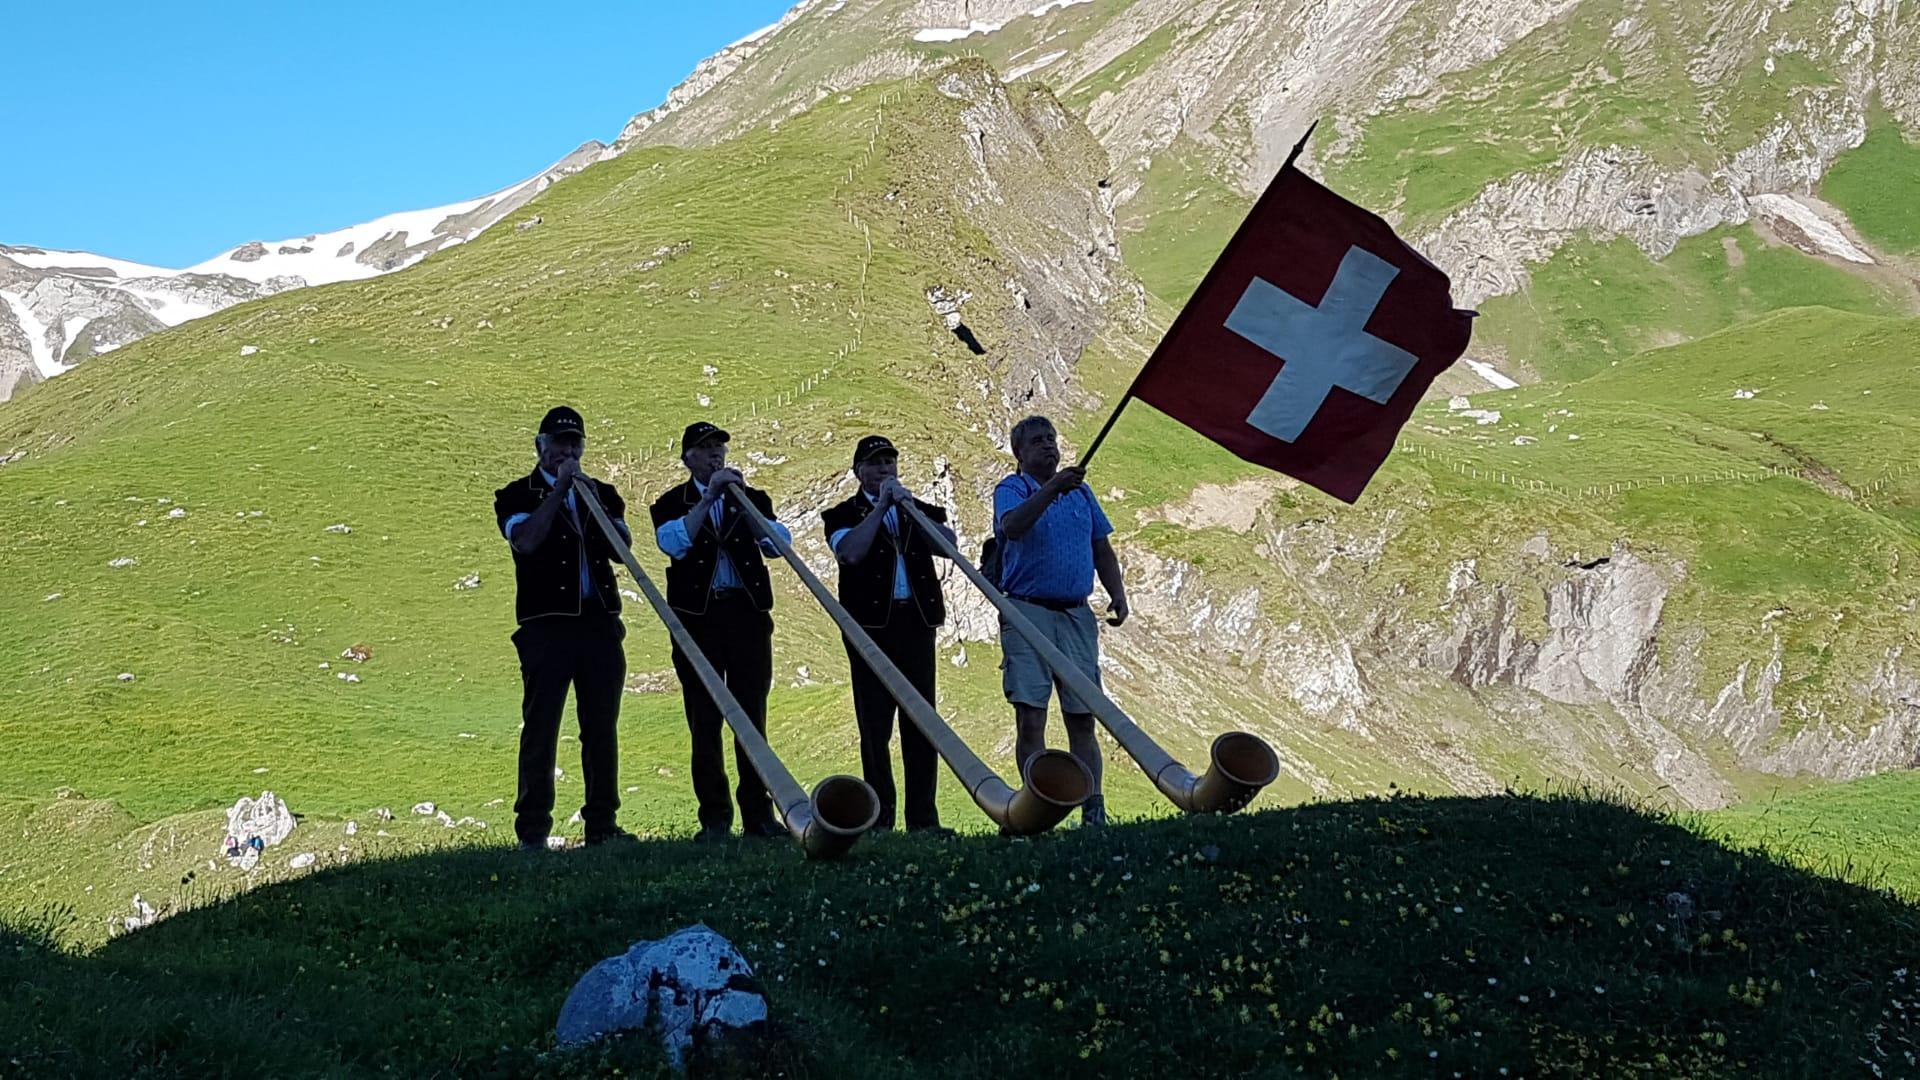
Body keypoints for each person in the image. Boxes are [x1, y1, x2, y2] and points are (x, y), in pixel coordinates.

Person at [493, 405, 636, 851]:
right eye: (559, 444)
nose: (568, 452)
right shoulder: (516, 494)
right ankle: (532, 829)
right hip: (546, 628)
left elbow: (622, 549)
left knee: (601, 725)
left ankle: (602, 823)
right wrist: (558, 493)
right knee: (542, 726)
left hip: (599, 624)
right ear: (541, 448)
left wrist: (589, 498)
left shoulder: (603, 493)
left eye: (575, 444)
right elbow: (526, 541)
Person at [650, 421, 793, 842]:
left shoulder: (753, 499)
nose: (715, 455)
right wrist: (709, 495)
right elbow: (674, 543)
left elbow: (777, 544)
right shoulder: (669, 502)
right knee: (704, 720)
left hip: (747, 619)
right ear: (687, 459)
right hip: (698, 622)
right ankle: (714, 819)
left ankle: (759, 817)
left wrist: (741, 502)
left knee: (753, 717)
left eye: (719, 448)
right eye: (705, 449)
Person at [992, 415, 1130, 827]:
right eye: (1037, 442)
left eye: (1051, 439)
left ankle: (1093, 809)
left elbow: (1100, 547)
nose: (1048, 447)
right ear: (1019, 453)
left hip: (1075, 613)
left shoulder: (1081, 493)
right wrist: (1052, 487)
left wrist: (1117, 592)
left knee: (1082, 715)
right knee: (1031, 714)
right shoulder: (1013, 488)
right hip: (1026, 611)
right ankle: (1039, 807)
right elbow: (1012, 526)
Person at [822, 436, 959, 836]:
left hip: (916, 624)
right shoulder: (842, 514)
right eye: (876, 464)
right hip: (870, 630)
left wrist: (909, 508)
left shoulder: (916, 509)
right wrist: (881, 507)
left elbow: (948, 548)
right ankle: (880, 819)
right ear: (859, 472)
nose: (886, 470)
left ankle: (923, 819)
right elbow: (849, 553)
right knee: (875, 725)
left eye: (890, 462)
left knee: (921, 721)